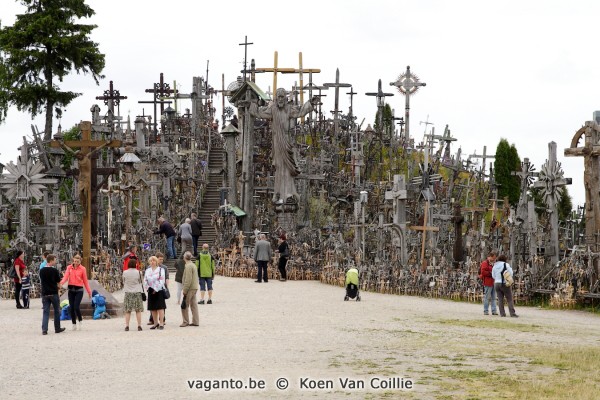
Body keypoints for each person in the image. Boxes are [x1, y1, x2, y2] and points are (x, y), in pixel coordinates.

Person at [250, 88, 318, 203]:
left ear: (285, 98)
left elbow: (301, 112)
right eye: (279, 97)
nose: (280, 99)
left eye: (282, 97)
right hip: (277, 141)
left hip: (286, 140)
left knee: (287, 167)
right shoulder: (272, 109)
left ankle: (289, 192)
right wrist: (252, 104)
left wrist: (310, 103)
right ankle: (278, 193)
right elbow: (260, 113)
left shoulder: (289, 109)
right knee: (279, 166)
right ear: (276, 98)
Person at [59, 254, 92, 330]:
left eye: (77, 261)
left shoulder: (82, 269)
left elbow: (85, 281)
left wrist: (89, 292)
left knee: (76, 307)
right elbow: (66, 277)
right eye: (75, 261)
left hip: (79, 289)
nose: (76, 263)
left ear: (80, 261)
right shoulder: (69, 268)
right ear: (73, 261)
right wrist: (61, 283)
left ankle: (80, 320)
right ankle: (74, 323)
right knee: (71, 307)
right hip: (71, 289)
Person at [39, 254, 66, 335]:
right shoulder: (54, 270)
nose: (55, 261)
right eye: (54, 260)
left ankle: (44, 329)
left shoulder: (42, 270)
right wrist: (60, 287)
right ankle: (57, 328)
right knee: (56, 311)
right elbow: (58, 281)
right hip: (53, 292)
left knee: (46, 311)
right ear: (51, 261)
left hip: (45, 293)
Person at [144, 255, 166, 330]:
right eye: (151, 261)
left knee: (160, 307)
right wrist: (147, 287)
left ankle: (161, 323)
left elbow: (162, 280)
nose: (152, 262)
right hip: (150, 289)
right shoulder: (147, 270)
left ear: (156, 262)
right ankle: (155, 322)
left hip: (158, 290)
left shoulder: (161, 269)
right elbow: (145, 280)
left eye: (154, 261)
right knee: (152, 308)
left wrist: (156, 289)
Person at [148, 252, 170, 325]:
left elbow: (166, 278)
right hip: (152, 288)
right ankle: (152, 319)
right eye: (160, 259)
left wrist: (166, 287)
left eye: (162, 259)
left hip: (160, 288)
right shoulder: (149, 268)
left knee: (161, 305)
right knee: (152, 305)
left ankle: (162, 320)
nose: (161, 261)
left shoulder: (164, 268)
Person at [122, 258, 144, 331]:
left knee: (128, 310)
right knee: (138, 310)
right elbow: (141, 282)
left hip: (128, 292)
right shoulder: (139, 273)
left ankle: (127, 326)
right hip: (137, 292)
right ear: (135, 264)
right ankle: (139, 325)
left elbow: (123, 281)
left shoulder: (125, 272)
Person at [180, 251, 199, 327]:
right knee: (194, 305)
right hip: (194, 287)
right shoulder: (193, 265)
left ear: (184, 257)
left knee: (184, 305)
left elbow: (188, 279)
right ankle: (196, 321)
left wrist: (185, 290)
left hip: (190, 288)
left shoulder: (188, 266)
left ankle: (185, 321)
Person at [479, 251, 498, 316]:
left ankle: (494, 310)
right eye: (493, 258)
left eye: (495, 258)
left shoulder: (494, 263)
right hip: (487, 282)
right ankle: (486, 310)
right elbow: (483, 272)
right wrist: (491, 273)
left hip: (494, 282)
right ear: (490, 257)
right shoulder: (485, 263)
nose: (494, 259)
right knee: (487, 297)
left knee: (494, 298)